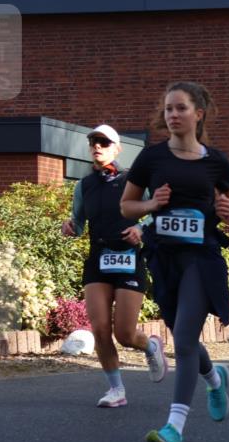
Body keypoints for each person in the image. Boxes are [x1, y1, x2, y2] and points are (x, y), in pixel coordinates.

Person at [120, 82, 229, 442]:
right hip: (164, 258)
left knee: (185, 339)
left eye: (181, 108)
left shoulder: (216, 161)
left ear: (198, 114)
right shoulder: (151, 159)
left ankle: (174, 428)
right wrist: (150, 204)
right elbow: (126, 206)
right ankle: (214, 378)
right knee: (185, 338)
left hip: (201, 257)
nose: (173, 115)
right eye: (169, 109)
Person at [62, 124, 169, 407]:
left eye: (104, 142)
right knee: (99, 329)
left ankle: (150, 345)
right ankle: (116, 390)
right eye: (94, 142)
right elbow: (79, 222)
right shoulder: (84, 186)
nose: (98, 146)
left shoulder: (133, 181)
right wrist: (71, 226)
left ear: (117, 148)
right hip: (98, 258)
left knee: (124, 333)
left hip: (129, 258)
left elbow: (156, 213)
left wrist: (141, 229)